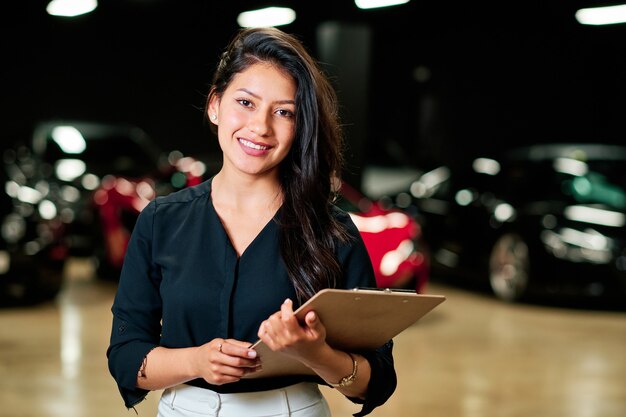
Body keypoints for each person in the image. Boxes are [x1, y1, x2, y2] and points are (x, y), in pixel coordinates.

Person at [106, 26, 396, 417]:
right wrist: (196, 361)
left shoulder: (334, 231)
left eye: (283, 112)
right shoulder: (160, 222)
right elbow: (126, 355)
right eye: (245, 102)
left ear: (300, 127)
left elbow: (377, 379)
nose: (260, 126)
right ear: (214, 105)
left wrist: (315, 353)